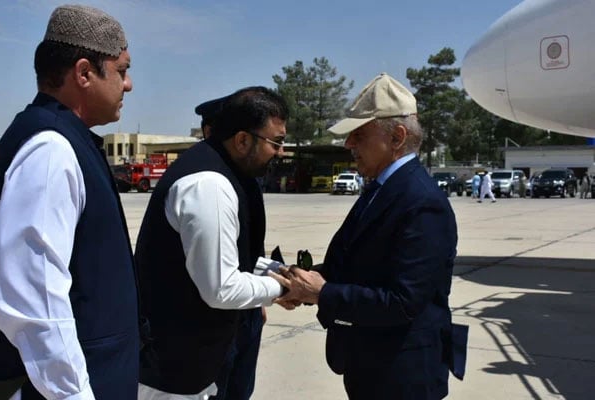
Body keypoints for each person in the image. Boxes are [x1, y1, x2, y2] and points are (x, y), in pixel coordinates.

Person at [0, 5, 140, 399]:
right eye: (121, 70)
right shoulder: (51, 149)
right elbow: (34, 303)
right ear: (85, 73)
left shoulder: (66, 139)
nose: (129, 85)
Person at [269, 73, 468, 400]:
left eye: (359, 135)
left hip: (402, 376)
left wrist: (323, 294)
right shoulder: (381, 189)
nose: (349, 145)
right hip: (370, 366)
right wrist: (305, 284)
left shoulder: (422, 203)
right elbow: (354, 265)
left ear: (397, 137)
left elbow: (404, 302)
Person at [135, 87, 289, 400]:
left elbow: (232, 256)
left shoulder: (227, 174)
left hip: (193, 363)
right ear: (243, 140)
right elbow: (221, 287)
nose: (281, 152)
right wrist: (284, 289)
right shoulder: (209, 185)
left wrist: (279, 272)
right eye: (276, 142)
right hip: (174, 374)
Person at [194, 95, 269, 400]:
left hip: (247, 309)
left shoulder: (247, 181)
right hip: (213, 319)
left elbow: (250, 247)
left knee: (240, 390)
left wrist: (260, 297)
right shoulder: (205, 184)